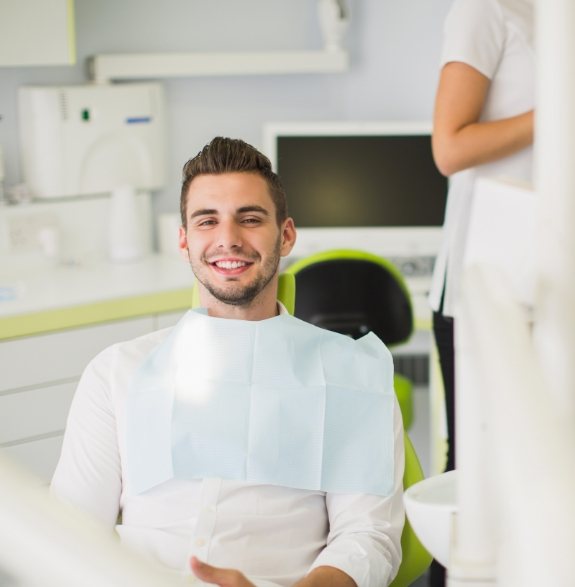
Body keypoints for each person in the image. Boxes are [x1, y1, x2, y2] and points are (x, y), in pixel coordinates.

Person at [51, 137, 405, 587]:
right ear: (184, 240)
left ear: (287, 234)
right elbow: (71, 532)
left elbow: (368, 537)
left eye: (250, 218)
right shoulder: (117, 372)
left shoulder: (350, 375)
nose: (228, 240)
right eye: (207, 221)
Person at [428, 0, 534, 584]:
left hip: (549, 279)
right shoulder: (486, 9)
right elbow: (450, 147)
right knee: (478, 474)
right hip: (489, 284)